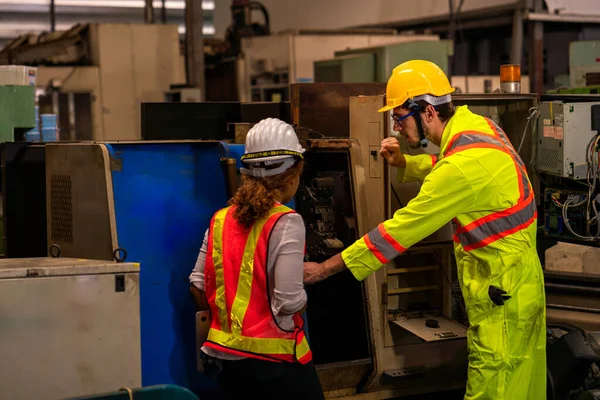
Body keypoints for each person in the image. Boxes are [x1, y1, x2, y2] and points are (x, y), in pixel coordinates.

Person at [303, 60, 546, 400]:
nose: (396, 126)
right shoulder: (480, 128)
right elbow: (449, 168)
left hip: (500, 304)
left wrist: (324, 269)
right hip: (521, 288)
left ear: (428, 112)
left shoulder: (461, 167)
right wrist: (405, 162)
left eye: (399, 116)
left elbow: (398, 230)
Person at [189, 117, 324, 400]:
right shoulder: (287, 221)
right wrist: (305, 290)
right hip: (277, 366)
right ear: (292, 173)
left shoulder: (221, 219)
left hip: (227, 362)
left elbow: (197, 286)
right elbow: (288, 301)